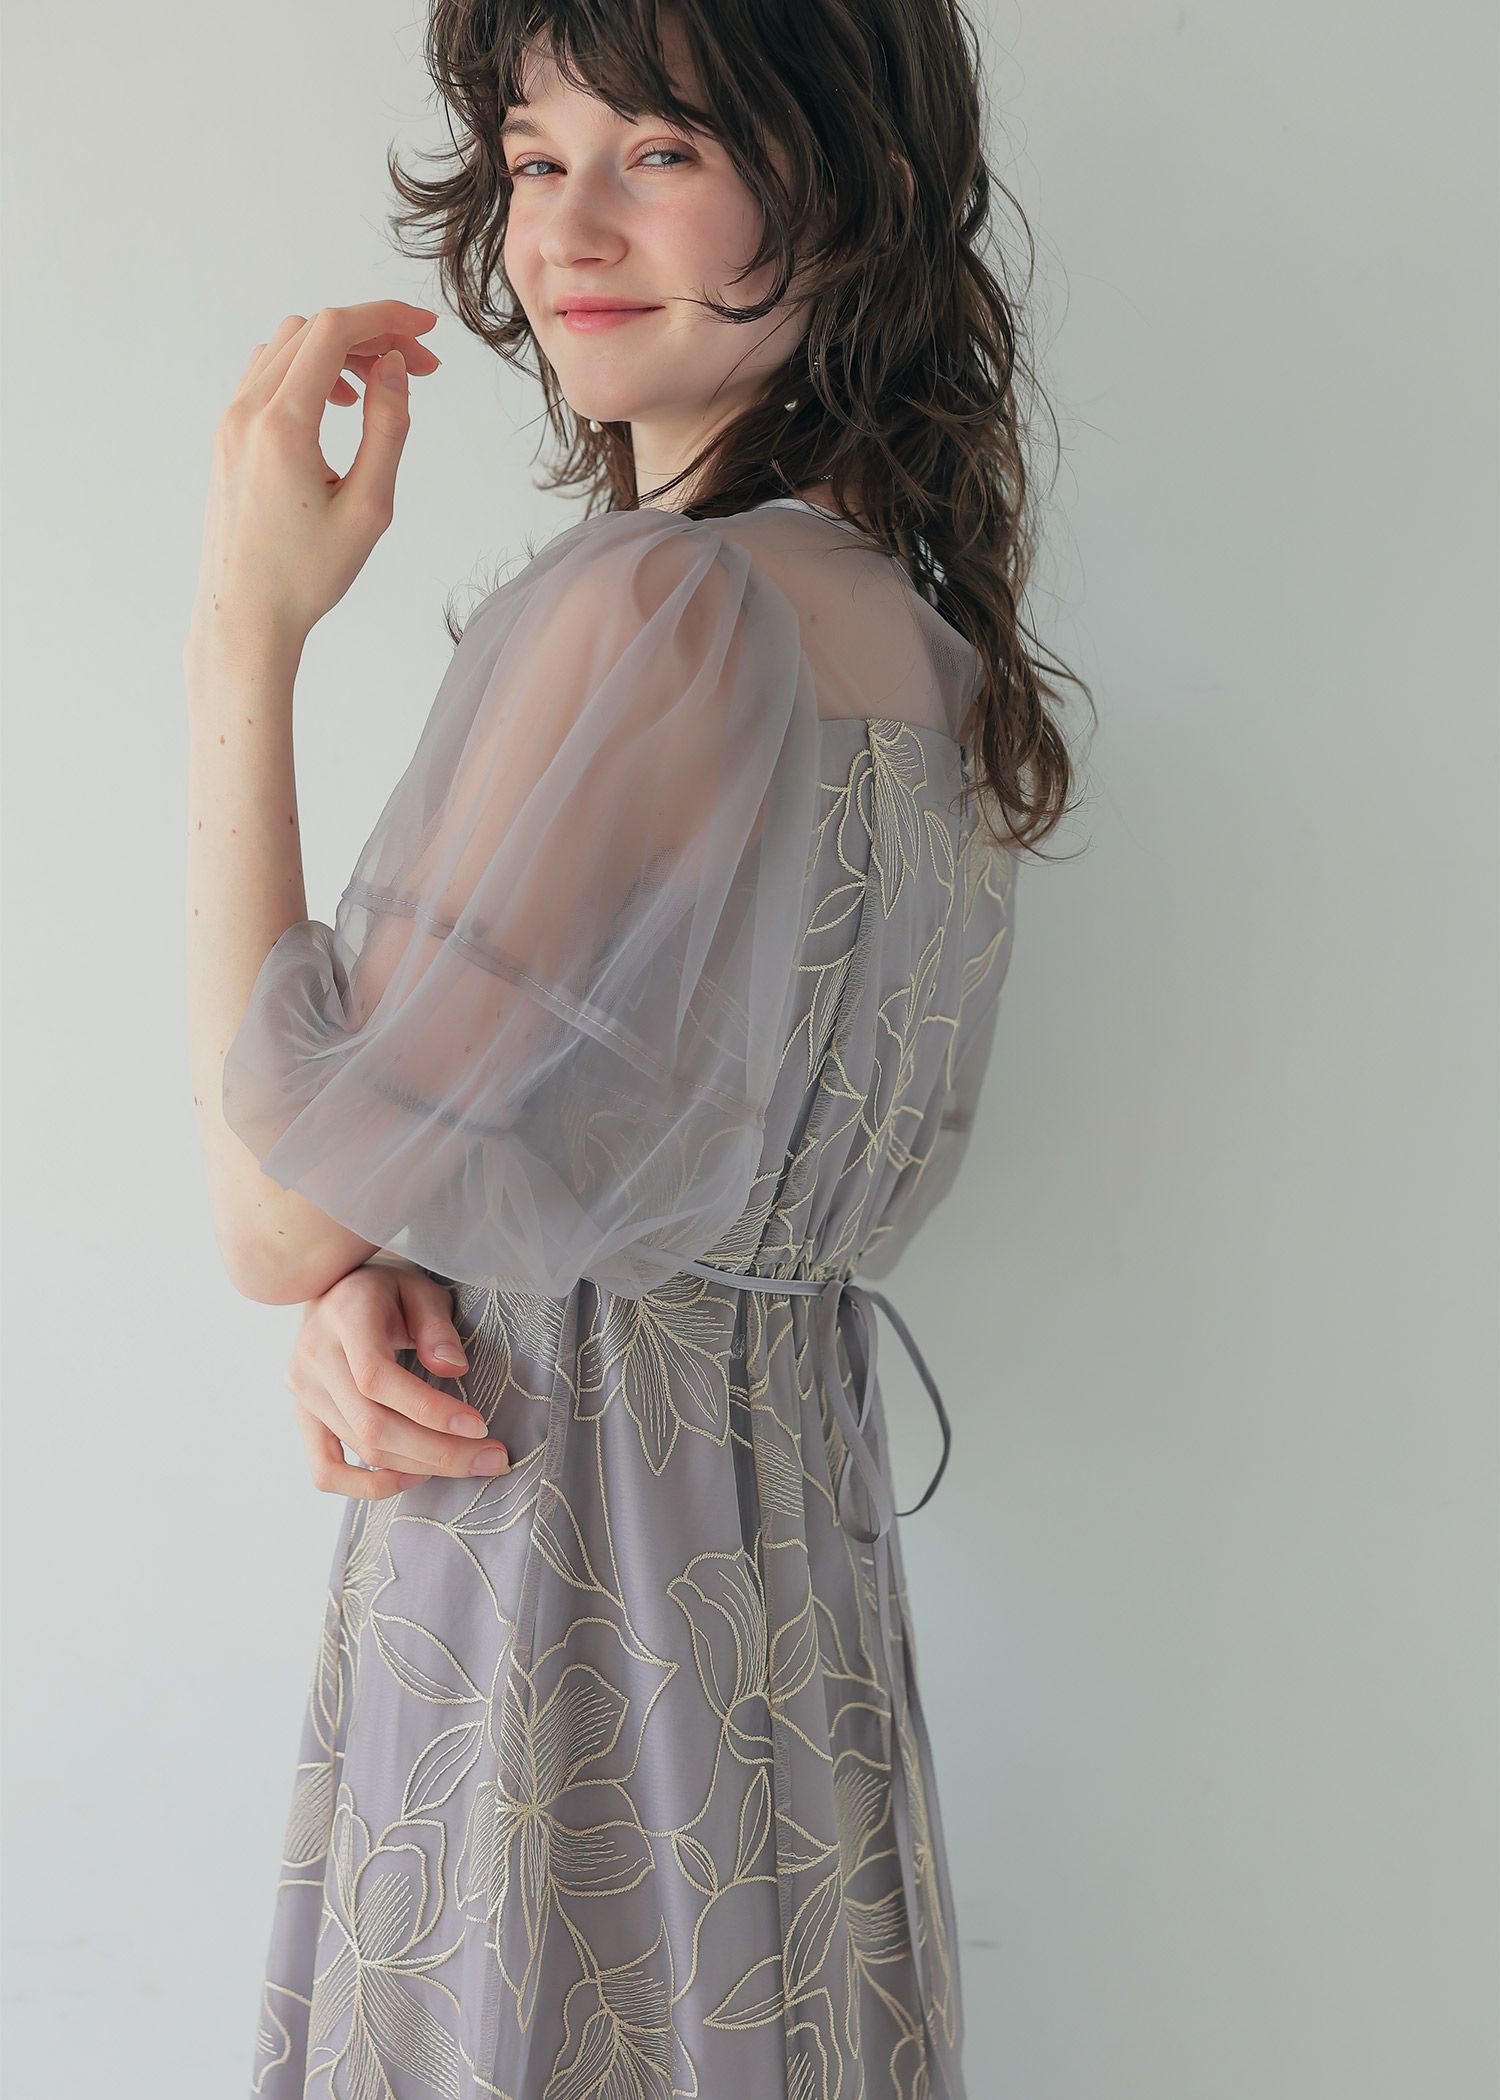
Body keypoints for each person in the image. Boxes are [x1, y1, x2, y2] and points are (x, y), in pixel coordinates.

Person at [184, 4, 1088, 2094]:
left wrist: (246, 629)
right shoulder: (927, 653)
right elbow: (559, 1163)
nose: (570, 226)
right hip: (785, 1616)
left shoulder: (651, 614)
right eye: (534, 158)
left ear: (843, 195)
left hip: (549, 1598)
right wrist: (392, 1257)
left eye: (661, 150)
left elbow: (275, 1209)